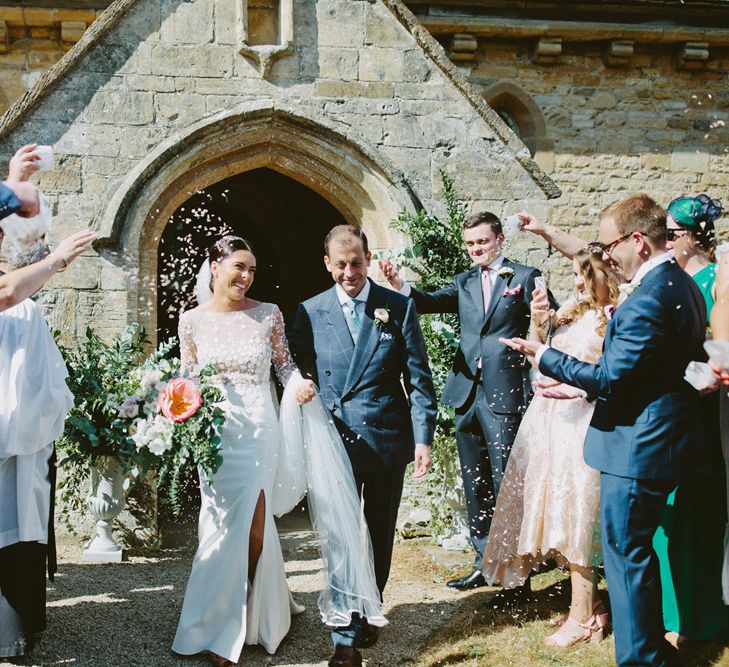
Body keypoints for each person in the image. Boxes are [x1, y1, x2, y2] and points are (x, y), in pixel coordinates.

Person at [502, 194, 710, 667]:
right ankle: (652, 645)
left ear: (637, 240)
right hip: (662, 432)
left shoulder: (649, 296)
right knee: (637, 554)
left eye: (611, 243)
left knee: (626, 557)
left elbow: (609, 379)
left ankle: (640, 659)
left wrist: (545, 357)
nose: (607, 253)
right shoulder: (680, 282)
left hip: (637, 442)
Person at [379, 211, 554, 596]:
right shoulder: (464, 282)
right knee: (475, 483)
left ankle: (516, 573)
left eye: (483, 242)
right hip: (466, 394)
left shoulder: (524, 278)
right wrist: (399, 285)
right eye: (471, 243)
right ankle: (482, 563)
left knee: (507, 483)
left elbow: (548, 326)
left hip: (506, 393)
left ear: (499, 241)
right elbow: (426, 302)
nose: (476, 249)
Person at [289, 225, 437, 667]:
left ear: (369, 259)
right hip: (336, 440)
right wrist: (302, 388)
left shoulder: (397, 306)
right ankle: (345, 636)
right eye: (340, 265)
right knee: (338, 536)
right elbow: (295, 368)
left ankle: (368, 604)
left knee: (379, 534)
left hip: (388, 438)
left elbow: (419, 379)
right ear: (327, 264)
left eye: (356, 263)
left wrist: (423, 437)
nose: (349, 272)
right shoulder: (310, 311)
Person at [172, 236, 320, 667]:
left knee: (254, 528)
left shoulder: (268, 315)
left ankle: (252, 609)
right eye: (239, 266)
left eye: (252, 269)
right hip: (216, 434)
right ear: (214, 267)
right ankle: (220, 624)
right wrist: (173, 404)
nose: (245, 276)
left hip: (258, 427)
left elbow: (284, 365)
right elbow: (186, 378)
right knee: (220, 525)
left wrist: (298, 385)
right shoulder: (191, 321)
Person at [483, 246, 620, 647]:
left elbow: (613, 377)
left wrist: (576, 388)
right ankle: (589, 606)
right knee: (556, 514)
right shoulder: (575, 311)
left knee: (578, 519)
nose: (577, 282)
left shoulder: (612, 315)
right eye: (575, 274)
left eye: (585, 275)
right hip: (549, 423)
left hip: (581, 422)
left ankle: (583, 618)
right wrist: (539, 323)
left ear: (605, 275)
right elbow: (539, 358)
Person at [0, 161, 94, 659]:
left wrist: (16, 179)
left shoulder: (15, 268)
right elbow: (8, 290)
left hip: (21, 425)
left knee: (20, 514)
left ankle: (18, 623)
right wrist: (55, 259)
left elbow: (22, 260)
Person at [652, 194, 729, 646]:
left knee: (699, 511)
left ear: (694, 236)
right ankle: (667, 612)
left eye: (672, 235)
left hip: (705, 405)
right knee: (667, 514)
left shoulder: (718, 277)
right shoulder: (665, 277)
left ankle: (698, 617)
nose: (666, 242)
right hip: (671, 402)